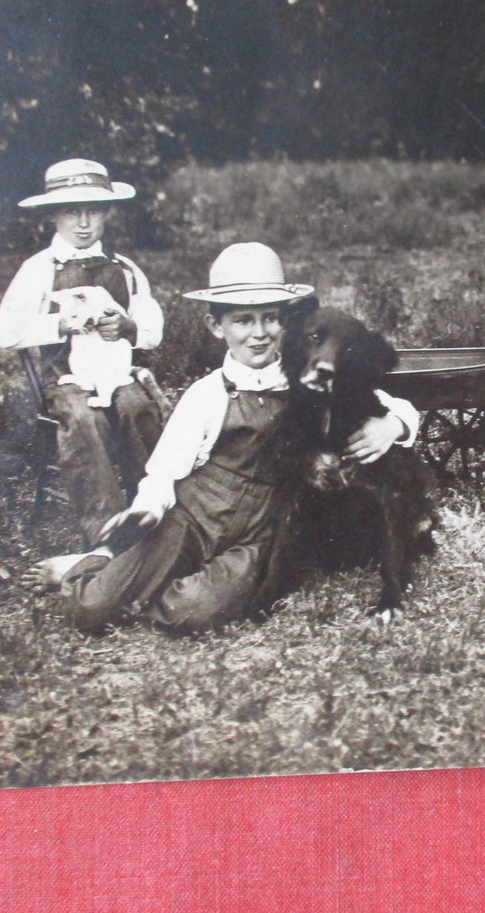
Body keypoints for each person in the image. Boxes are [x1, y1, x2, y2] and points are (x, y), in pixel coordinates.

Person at [23, 242, 421, 635]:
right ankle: (86, 568)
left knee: (194, 611)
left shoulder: (305, 378)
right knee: (91, 609)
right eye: (243, 321)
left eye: (270, 319)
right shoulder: (207, 393)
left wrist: (393, 426)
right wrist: (147, 510)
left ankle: (141, 587)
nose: (259, 334)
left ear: (286, 324)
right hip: (192, 518)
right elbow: (163, 472)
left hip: (257, 533)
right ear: (217, 326)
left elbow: (394, 405)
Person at [0, 159, 165, 549]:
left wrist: (128, 328)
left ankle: (153, 512)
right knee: (85, 418)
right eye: (72, 212)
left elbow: (151, 328)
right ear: (54, 216)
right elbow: (4, 331)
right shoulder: (38, 270)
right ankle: (107, 531)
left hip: (117, 375)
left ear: (106, 213)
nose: (83, 222)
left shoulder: (125, 269)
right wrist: (58, 324)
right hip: (64, 381)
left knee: (138, 409)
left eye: (93, 211)